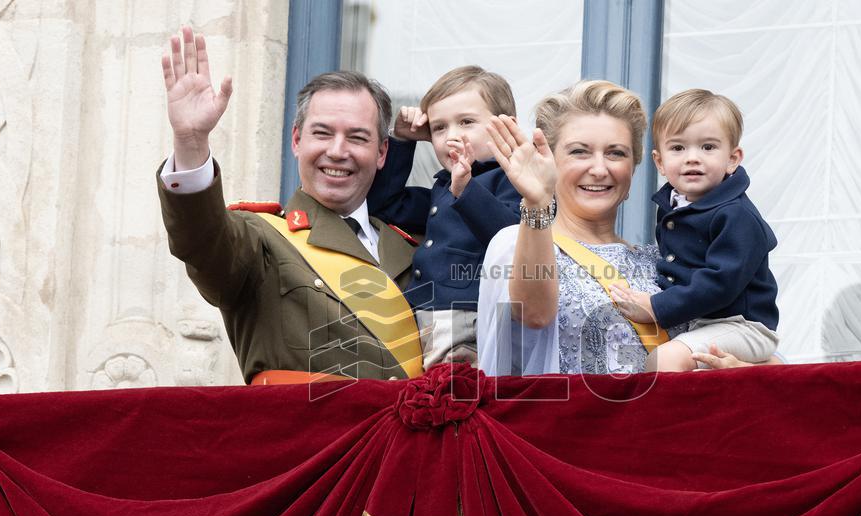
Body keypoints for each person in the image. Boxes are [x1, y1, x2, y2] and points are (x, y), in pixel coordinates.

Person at [157, 27, 422, 384]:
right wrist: (191, 143)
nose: (338, 151)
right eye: (322, 133)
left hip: (408, 440)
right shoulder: (261, 237)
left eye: (357, 137)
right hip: (308, 438)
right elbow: (203, 243)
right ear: (297, 140)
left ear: (381, 153)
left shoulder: (412, 246)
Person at [477, 80, 684, 375]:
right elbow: (533, 314)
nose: (600, 169)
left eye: (616, 153)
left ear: (633, 169)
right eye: (579, 152)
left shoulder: (660, 261)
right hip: (561, 419)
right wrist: (537, 203)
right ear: (547, 161)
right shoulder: (516, 242)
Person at [609, 89, 779, 372]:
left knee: (665, 360)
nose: (692, 158)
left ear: (733, 159)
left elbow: (719, 283)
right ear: (660, 162)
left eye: (708, 147)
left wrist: (656, 305)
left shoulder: (736, 215)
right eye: (678, 148)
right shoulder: (675, 207)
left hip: (743, 326)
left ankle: (667, 417)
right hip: (704, 323)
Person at [367, 66, 521, 368]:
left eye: (466, 122)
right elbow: (385, 204)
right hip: (419, 317)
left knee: (451, 400)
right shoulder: (442, 187)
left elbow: (509, 240)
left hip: (467, 317)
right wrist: (402, 139)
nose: (451, 137)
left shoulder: (512, 180)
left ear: (506, 128)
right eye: (439, 128)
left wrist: (465, 190)